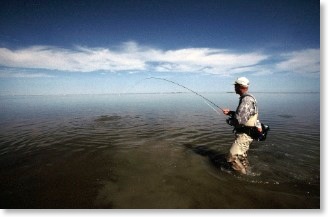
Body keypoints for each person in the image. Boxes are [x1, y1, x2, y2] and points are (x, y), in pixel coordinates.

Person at [222, 77, 261, 174]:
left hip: (245, 135)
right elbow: (245, 114)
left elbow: (239, 121)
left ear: (240, 86)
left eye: (235, 86)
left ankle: (243, 176)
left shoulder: (246, 100)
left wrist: (229, 121)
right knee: (242, 157)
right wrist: (231, 113)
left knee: (231, 157)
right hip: (247, 133)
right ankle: (247, 171)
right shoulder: (249, 98)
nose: (234, 88)